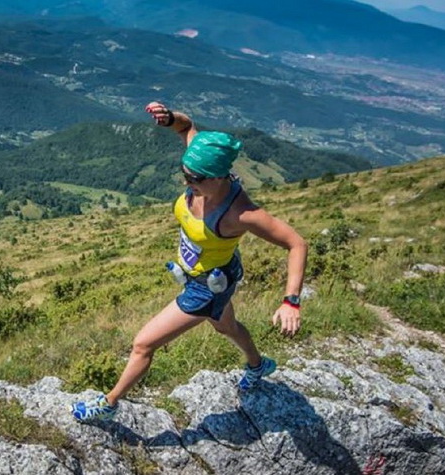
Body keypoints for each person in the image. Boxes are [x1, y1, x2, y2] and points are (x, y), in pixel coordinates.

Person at [70, 102, 309, 422]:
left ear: (220, 176)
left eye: (195, 178)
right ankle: (258, 365)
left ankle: (108, 405)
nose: (188, 182)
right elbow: (187, 127)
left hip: (206, 287)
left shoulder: (242, 214)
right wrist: (170, 119)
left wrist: (291, 301)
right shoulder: (200, 166)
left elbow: (296, 243)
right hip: (217, 274)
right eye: (185, 174)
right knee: (226, 326)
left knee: (143, 344)